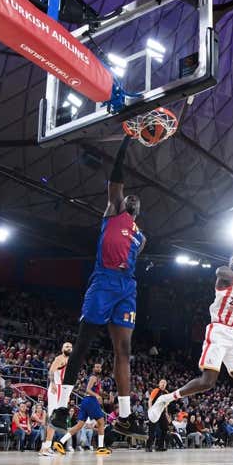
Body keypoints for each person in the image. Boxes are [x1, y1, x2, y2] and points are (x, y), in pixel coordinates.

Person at [53, 139, 148, 442]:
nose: (130, 199)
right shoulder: (114, 211)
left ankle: (124, 417)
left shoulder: (141, 237)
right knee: (84, 342)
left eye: (135, 200)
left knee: (124, 350)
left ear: (139, 210)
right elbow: (115, 180)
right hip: (104, 280)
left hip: (127, 286)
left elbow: (132, 255)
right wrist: (126, 141)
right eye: (128, 196)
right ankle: (60, 407)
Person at [148, 252, 233, 463]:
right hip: (219, 330)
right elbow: (220, 270)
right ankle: (165, 399)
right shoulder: (225, 277)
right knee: (208, 382)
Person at [56, 362, 110, 456]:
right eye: (96, 367)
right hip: (90, 400)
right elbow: (88, 390)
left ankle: (60, 442)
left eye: (99, 367)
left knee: (79, 426)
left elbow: (98, 391)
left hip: (86, 401)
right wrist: (97, 396)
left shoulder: (98, 379)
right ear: (93, 368)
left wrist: (107, 395)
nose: (98, 368)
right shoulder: (93, 377)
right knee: (101, 422)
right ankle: (101, 448)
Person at [39, 341, 72, 456]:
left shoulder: (70, 361)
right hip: (56, 388)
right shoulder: (59, 358)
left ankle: (46, 447)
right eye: (67, 346)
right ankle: (45, 448)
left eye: (70, 347)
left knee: (56, 419)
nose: (69, 348)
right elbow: (51, 371)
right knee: (53, 417)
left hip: (62, 390)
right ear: (62, 348)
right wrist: (52, 383)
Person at [147, 379, 170, 452]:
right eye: (162, 382)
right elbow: (150, 400)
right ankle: (148, 446)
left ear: (166, 385)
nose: (163, 384)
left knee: (165, 428)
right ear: (159, 384)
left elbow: (166, 405)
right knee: (152, 430)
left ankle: (159, 446)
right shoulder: (156, 390)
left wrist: (166, 414)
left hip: (162, 412)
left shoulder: (166, 392)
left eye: (164, 383)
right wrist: (150, 410)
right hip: (154, 412)